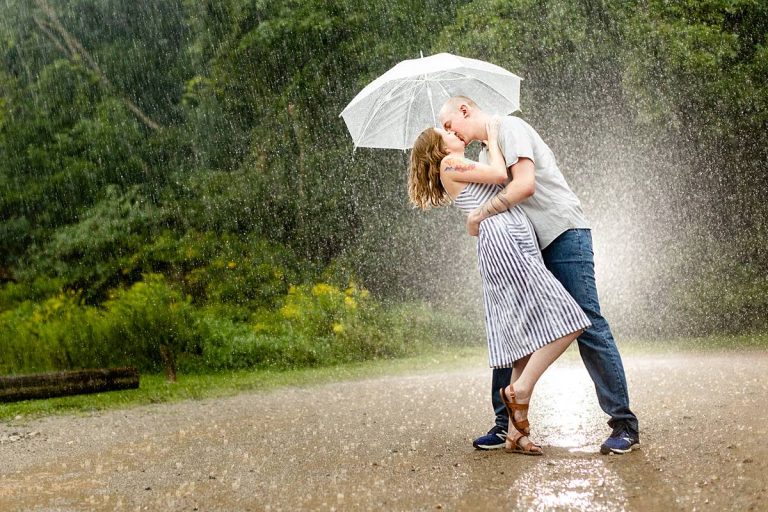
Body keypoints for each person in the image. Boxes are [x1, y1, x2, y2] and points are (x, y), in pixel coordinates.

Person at [438, 96, 640, 455]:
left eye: (451, 125)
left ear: (465, 110)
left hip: (562, 233)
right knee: (515, 324)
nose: (451, 132)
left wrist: (478, 215)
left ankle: (623, 425)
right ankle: (506, 426)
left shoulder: (510, 128)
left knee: (587, 322)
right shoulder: (486, 155)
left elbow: (524, 184)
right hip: (527, 244)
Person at [408, 119, 591, 455]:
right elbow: (500, 176)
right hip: (504, 237)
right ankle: (520, 389)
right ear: (438, 149)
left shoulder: (457, 163)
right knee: (572, 319)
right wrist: (493, 138)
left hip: (510, 234)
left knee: (524, 337)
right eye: (446, 133)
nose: (455, 133)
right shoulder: (451, 163)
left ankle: (514, 433)